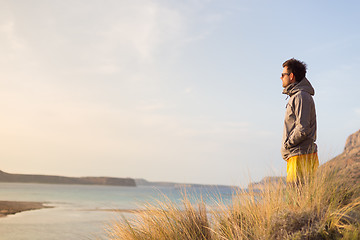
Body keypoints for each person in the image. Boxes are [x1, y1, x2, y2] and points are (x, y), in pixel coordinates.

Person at [280, 58, 319, 184]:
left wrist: (287, 144)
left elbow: (302, 129)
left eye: (283, 74)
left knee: (298, 199)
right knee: (297, 199)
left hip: (301, 157)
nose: (281, 78)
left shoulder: (301, 96)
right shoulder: (296, 96)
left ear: (291, 76)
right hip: (297, 156)